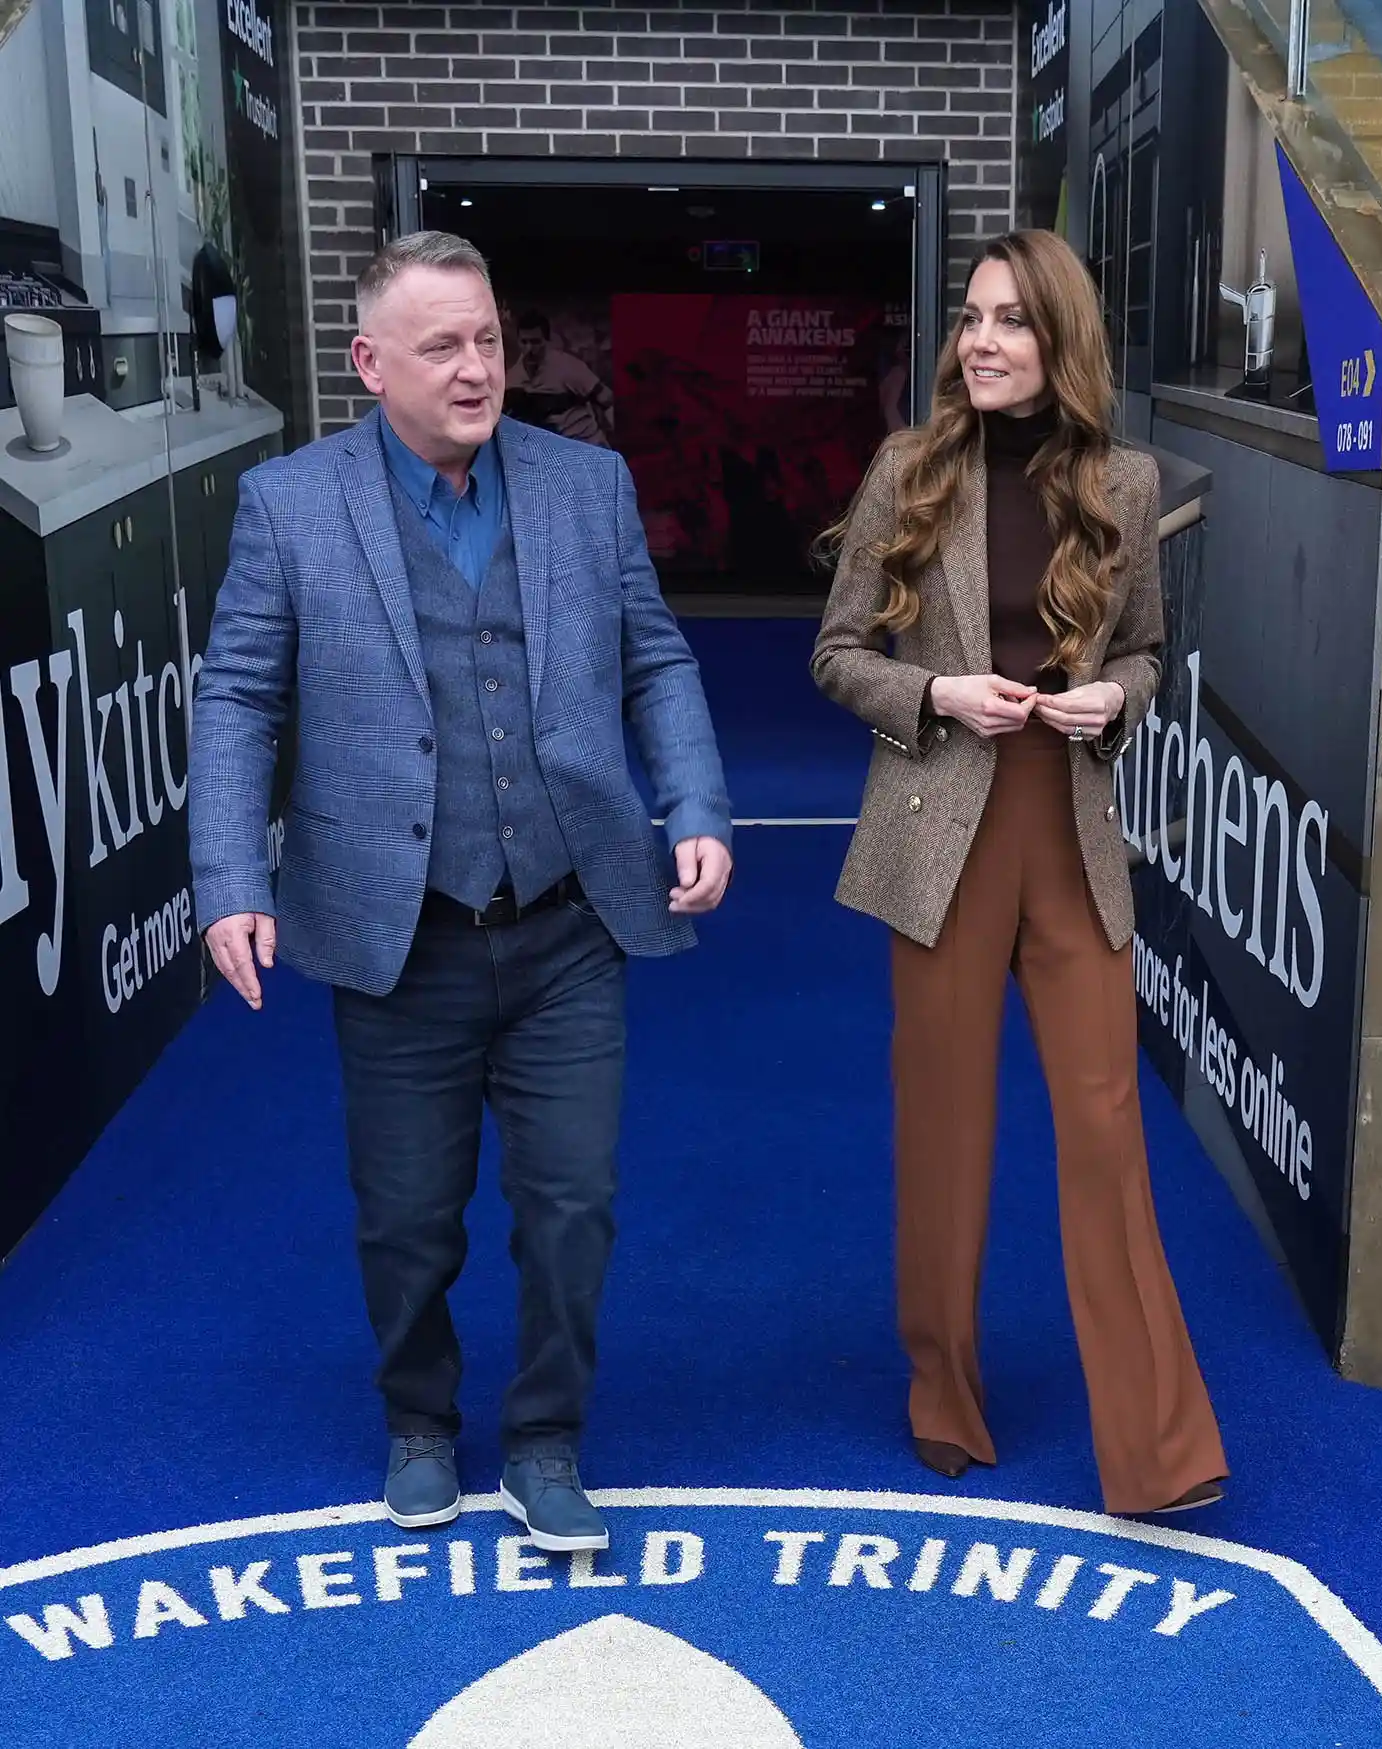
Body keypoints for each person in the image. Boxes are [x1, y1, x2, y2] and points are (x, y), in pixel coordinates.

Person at [188, 232, 733, 1551]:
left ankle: (547, 1439)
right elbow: (241, 699)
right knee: (409, 1222)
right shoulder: (290, 506)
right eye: (443, 347)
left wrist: (698, 805)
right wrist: (228, 876)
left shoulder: (587, 486)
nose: (478, 366)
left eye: (488, 337)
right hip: (399, 936)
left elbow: (654, 661)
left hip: (568, 922)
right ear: (372, 365)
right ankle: (421, 1419)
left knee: (571, 1212)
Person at [810, 231, 1227, 1517]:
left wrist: (1114, 695)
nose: (980, 341)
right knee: (945, 1132)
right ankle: (944, 1392)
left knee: (1106, 1135)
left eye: (1010, 322)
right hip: (941, 832)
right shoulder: (907, 469)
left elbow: (1151, 654)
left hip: (1074, 839)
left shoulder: (1127, 480)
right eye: (971, 319)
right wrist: (935, 690)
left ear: (1061, 340)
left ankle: (1159, 1451)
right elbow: (836, 652)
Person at [504, 310, 615, 446]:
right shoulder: (513, 378)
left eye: (535, 342)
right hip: (551, 448)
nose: (529, 348)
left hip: (586, 442)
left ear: (547, 340)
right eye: (524, 342)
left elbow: (607, 399)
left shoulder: (568, 367)